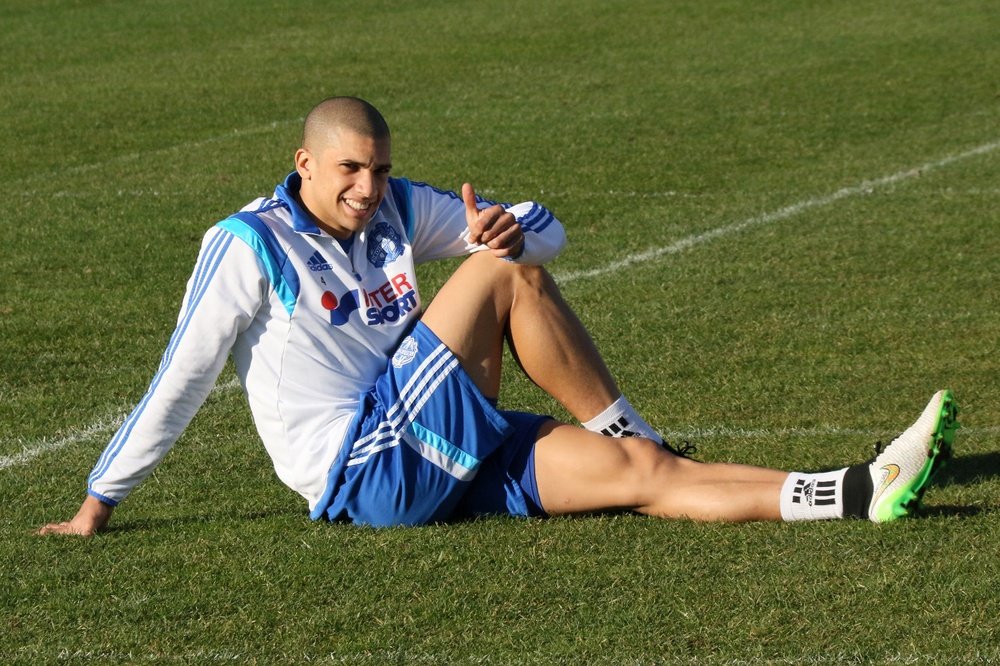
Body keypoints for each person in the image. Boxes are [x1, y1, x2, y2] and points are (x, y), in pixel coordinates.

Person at [38, 97, 960, 536]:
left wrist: (509, 222)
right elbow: (183, 374)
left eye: (382, 169)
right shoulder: (248, 243)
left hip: (430, 430)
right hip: (363, 472)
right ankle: (640, 426)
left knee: (639, 475)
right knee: (496, 278)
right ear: (305, 164)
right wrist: (97, 504)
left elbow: (543, 238)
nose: (370, 188)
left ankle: (854, 489)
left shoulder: (396, 209)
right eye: (351, 169)